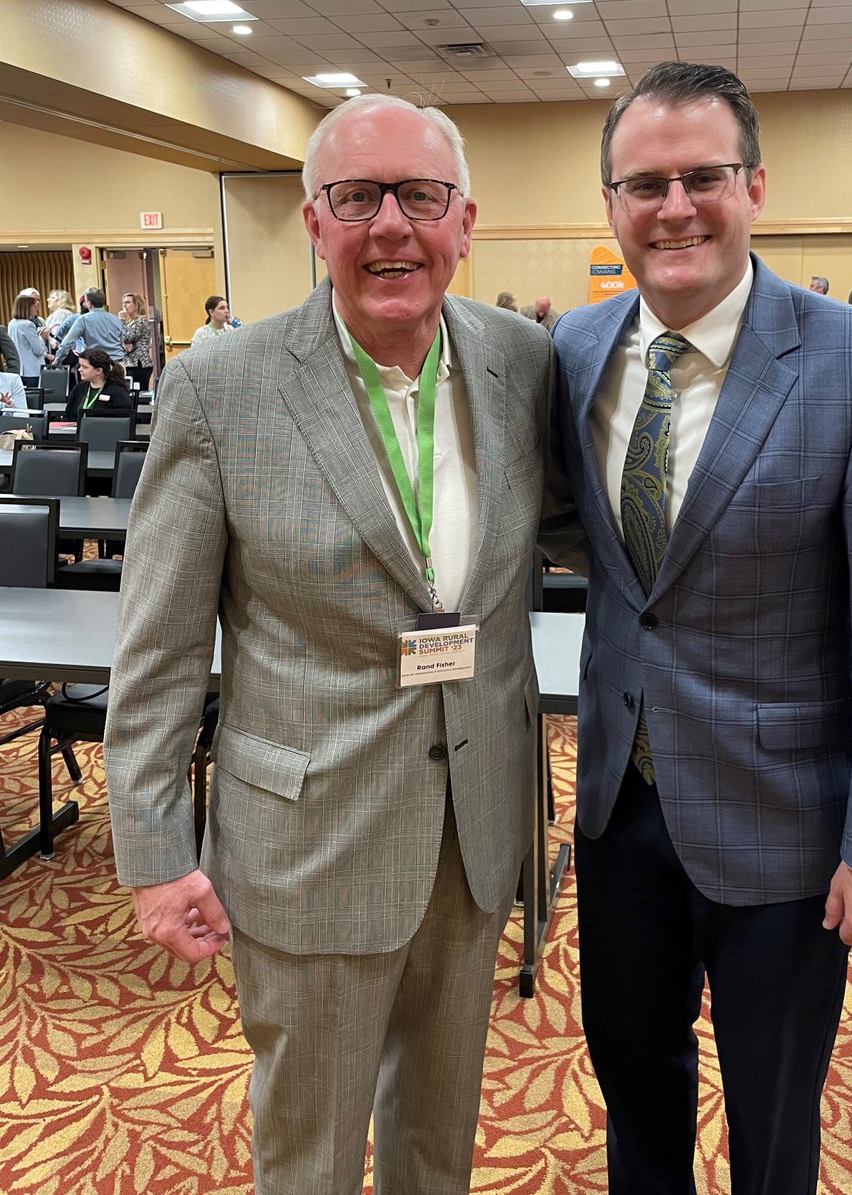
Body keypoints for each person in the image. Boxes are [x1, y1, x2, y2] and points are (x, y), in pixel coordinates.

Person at [103, 93, 555, 1195]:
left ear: (464, 220)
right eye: (356, 197)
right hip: (306, 841)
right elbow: (158, 649)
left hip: (476, 826)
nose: (390, 224)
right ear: (314, 222)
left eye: (420, 196)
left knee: (436, 1137)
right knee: (306, 1150)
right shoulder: (223, 386)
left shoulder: (521, 363)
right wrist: (156, 859)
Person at [548, 61, 852, 1195]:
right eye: (644, 183)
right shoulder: (576, 352)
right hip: (616, 805)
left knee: (772, 1114)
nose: (673, 206)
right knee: (632, 1085)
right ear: (611, 205)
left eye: (702, 177)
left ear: (755, 186)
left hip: (788, 825)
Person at [52, 287, 125, 365]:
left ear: (89, 303)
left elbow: (66, 343)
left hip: (96, 364)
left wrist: (57, 362)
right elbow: (122, 343)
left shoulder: (83, 319)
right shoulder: (115, 319)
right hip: (118, 363)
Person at [64, 347, 135, 420]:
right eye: (80, 366)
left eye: (84, 367)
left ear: (98, 370)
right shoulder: (79, 388)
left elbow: (124, 421)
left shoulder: (118, 392)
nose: (79, 369)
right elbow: (67, 415)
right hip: (77, 430)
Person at [7, 293, 46, 386]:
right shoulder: (28, 324)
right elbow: (39, 351)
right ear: (27, 307)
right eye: (34, 305)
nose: (36, 308)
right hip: (33, 371)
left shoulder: (12, 323)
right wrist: (41, 337)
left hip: (19, 369)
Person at [120, 292, 154, 391]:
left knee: (139, 395)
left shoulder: (140, 321)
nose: (124, 306)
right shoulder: (130, 322)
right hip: (131, 363)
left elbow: (126, 337)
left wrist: (121, 320)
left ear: (136, 304)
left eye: (128, 303)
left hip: (140, 364)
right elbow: (120, 339)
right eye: (123, 303)